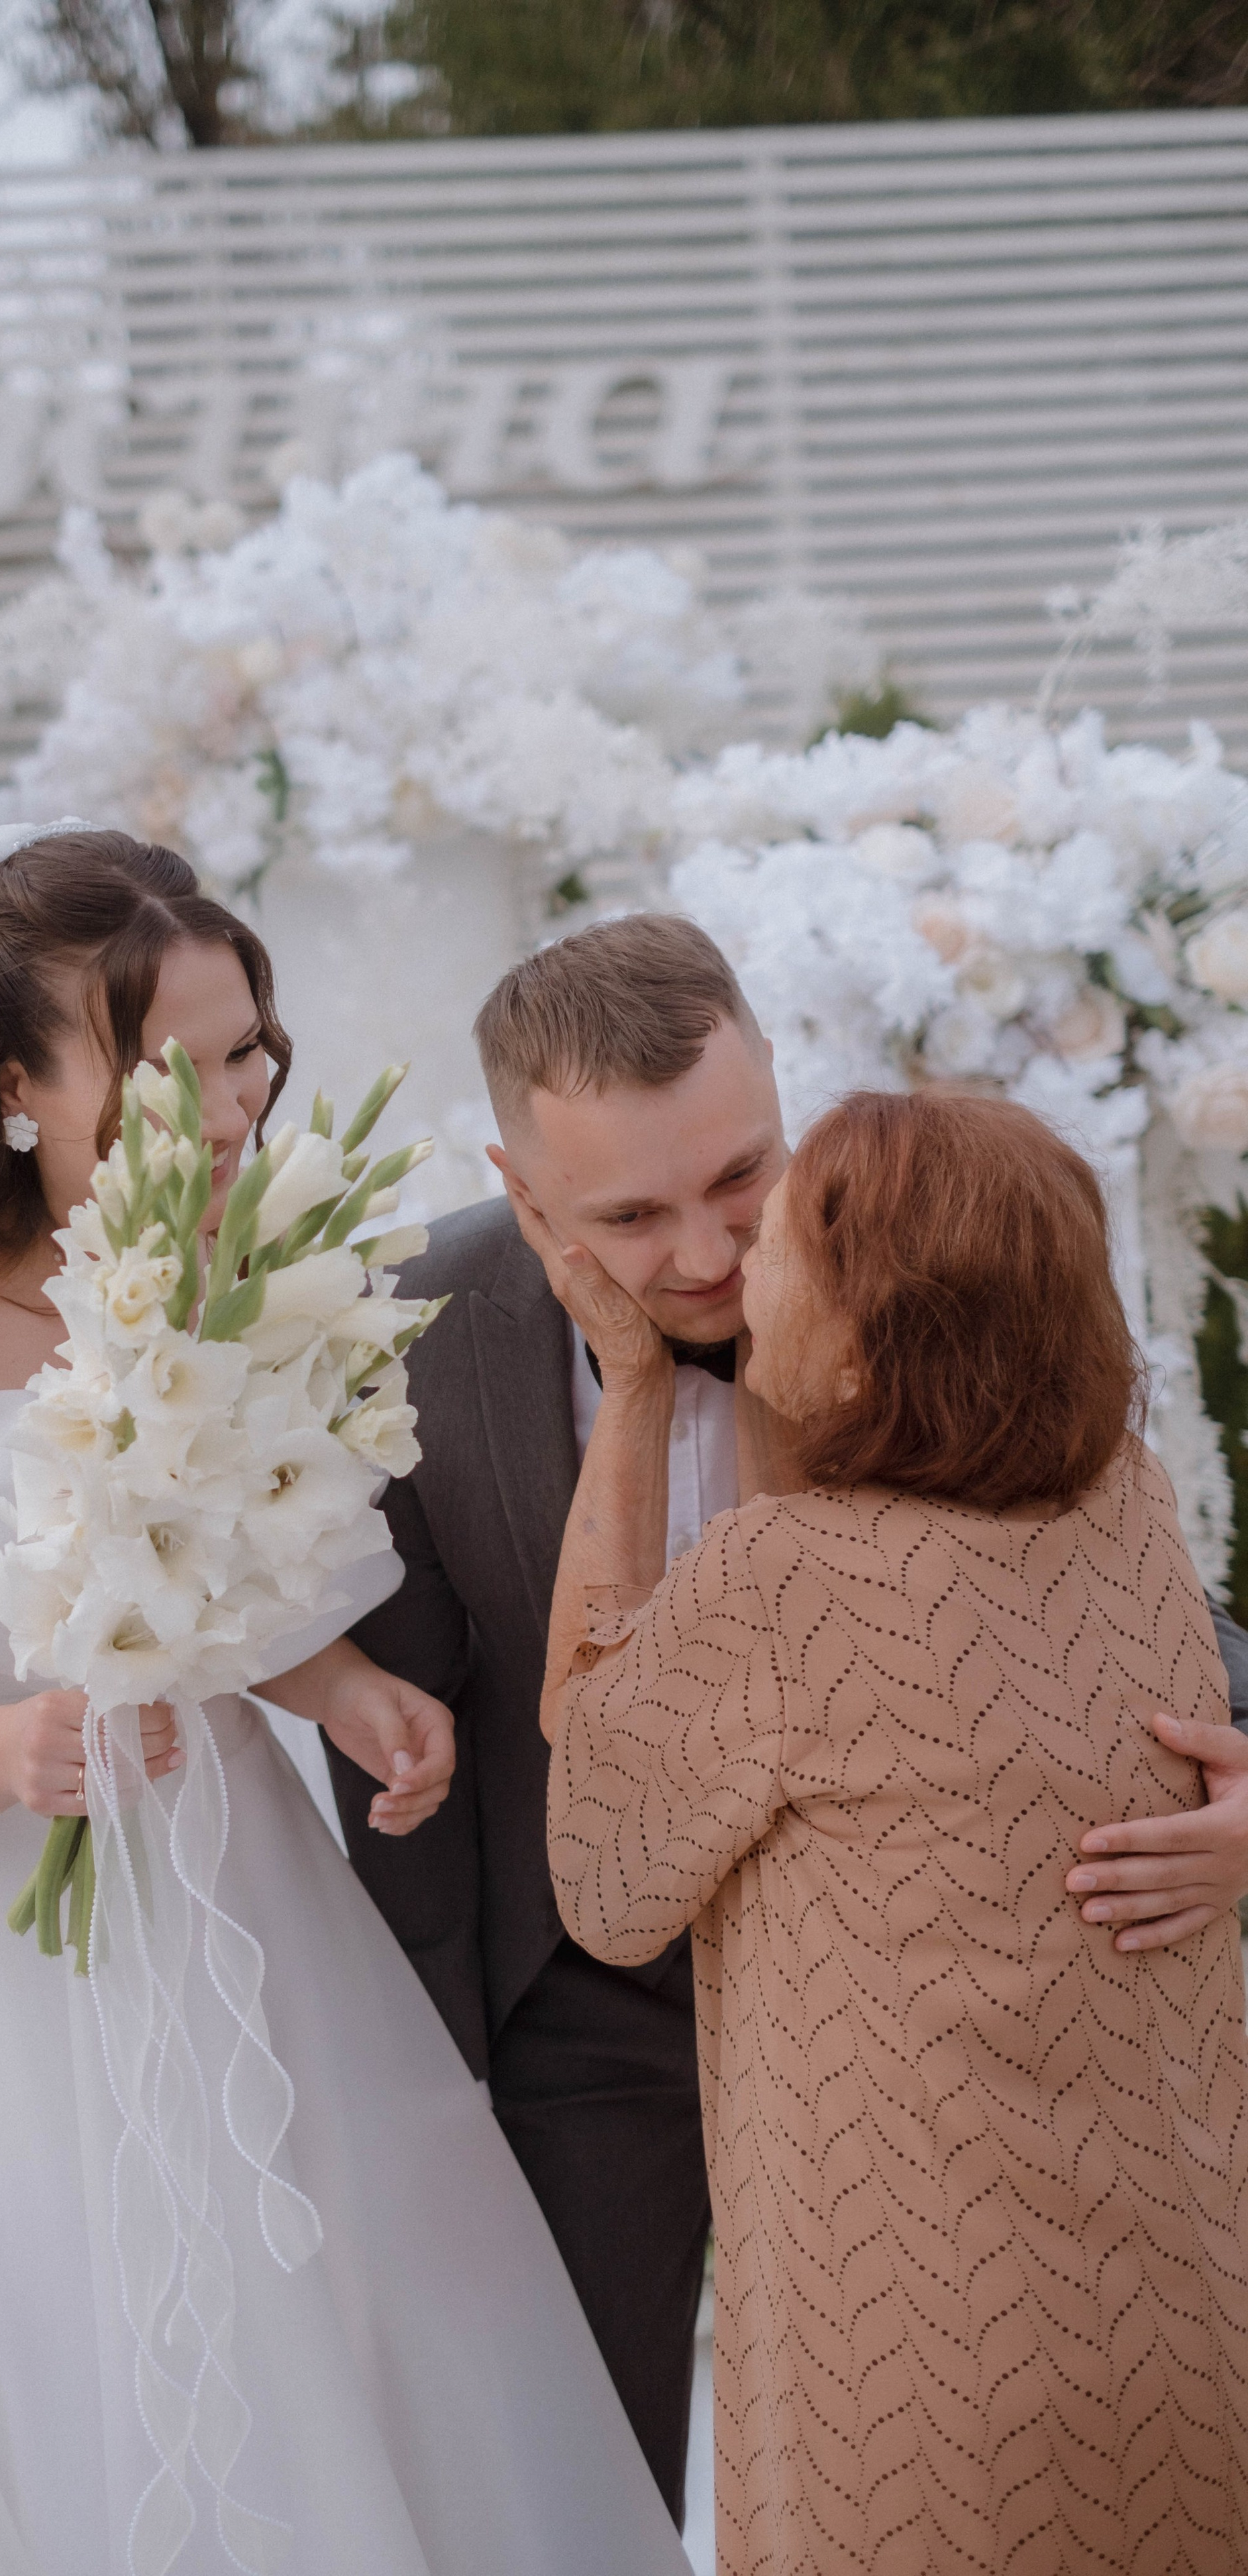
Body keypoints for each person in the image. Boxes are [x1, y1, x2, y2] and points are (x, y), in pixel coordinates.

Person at [0, 824, 689, 2576]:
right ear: (15, 1089)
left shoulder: (218, 1263)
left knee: (355, 2294)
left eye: (248, 1052)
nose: (231, 1109)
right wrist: (7, 1748)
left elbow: (182, 1556)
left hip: (223, 1895)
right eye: (169, 1070)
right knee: (58, 2372)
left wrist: (342, 1682)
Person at [333, 913, 1248, 2529]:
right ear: (521, 1185)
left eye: (736, 1178)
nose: (701, 1256)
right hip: (580, 2010)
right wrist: (421, 2069)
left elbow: (1118, 1587)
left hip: (934, 2044)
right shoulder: (406, 1323)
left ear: (776, 1095)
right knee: (570, 2492)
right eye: (628, 1214)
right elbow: (396, 1702)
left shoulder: (915, 1253)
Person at [539, 1085, 1248, 2575]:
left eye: (778, 1241)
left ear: (863, 1343)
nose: (739, 1271)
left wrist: (635, 1385)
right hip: (1187, 2299)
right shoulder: (1132, 1503)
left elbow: (604, 1869)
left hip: (922, 2354)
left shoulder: (776, 1584)